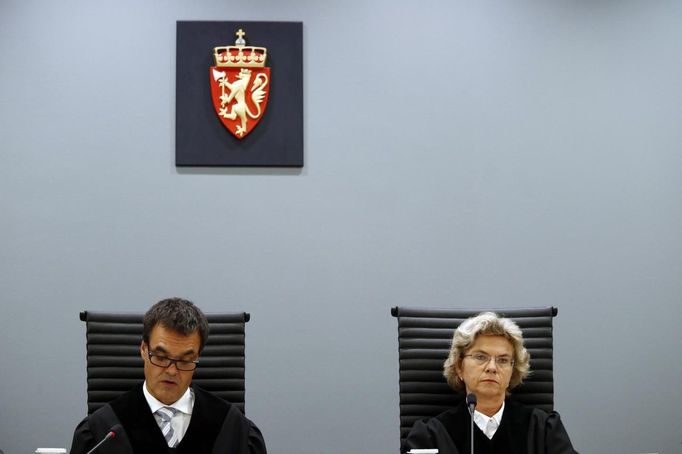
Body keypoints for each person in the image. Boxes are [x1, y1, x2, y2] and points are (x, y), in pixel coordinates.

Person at [70, 298, 266, 454]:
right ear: (143, 350)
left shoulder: (235, 429)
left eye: (185, 360)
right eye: (161, 357)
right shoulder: (101, 431)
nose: (172, 371)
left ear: (197, 358)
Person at [404, 312, 578, 454]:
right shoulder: (430, 436)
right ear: (459, 367)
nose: (492, 368)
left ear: (513, 371)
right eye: (481, 357)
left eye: (503, 360)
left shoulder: (544, 430)